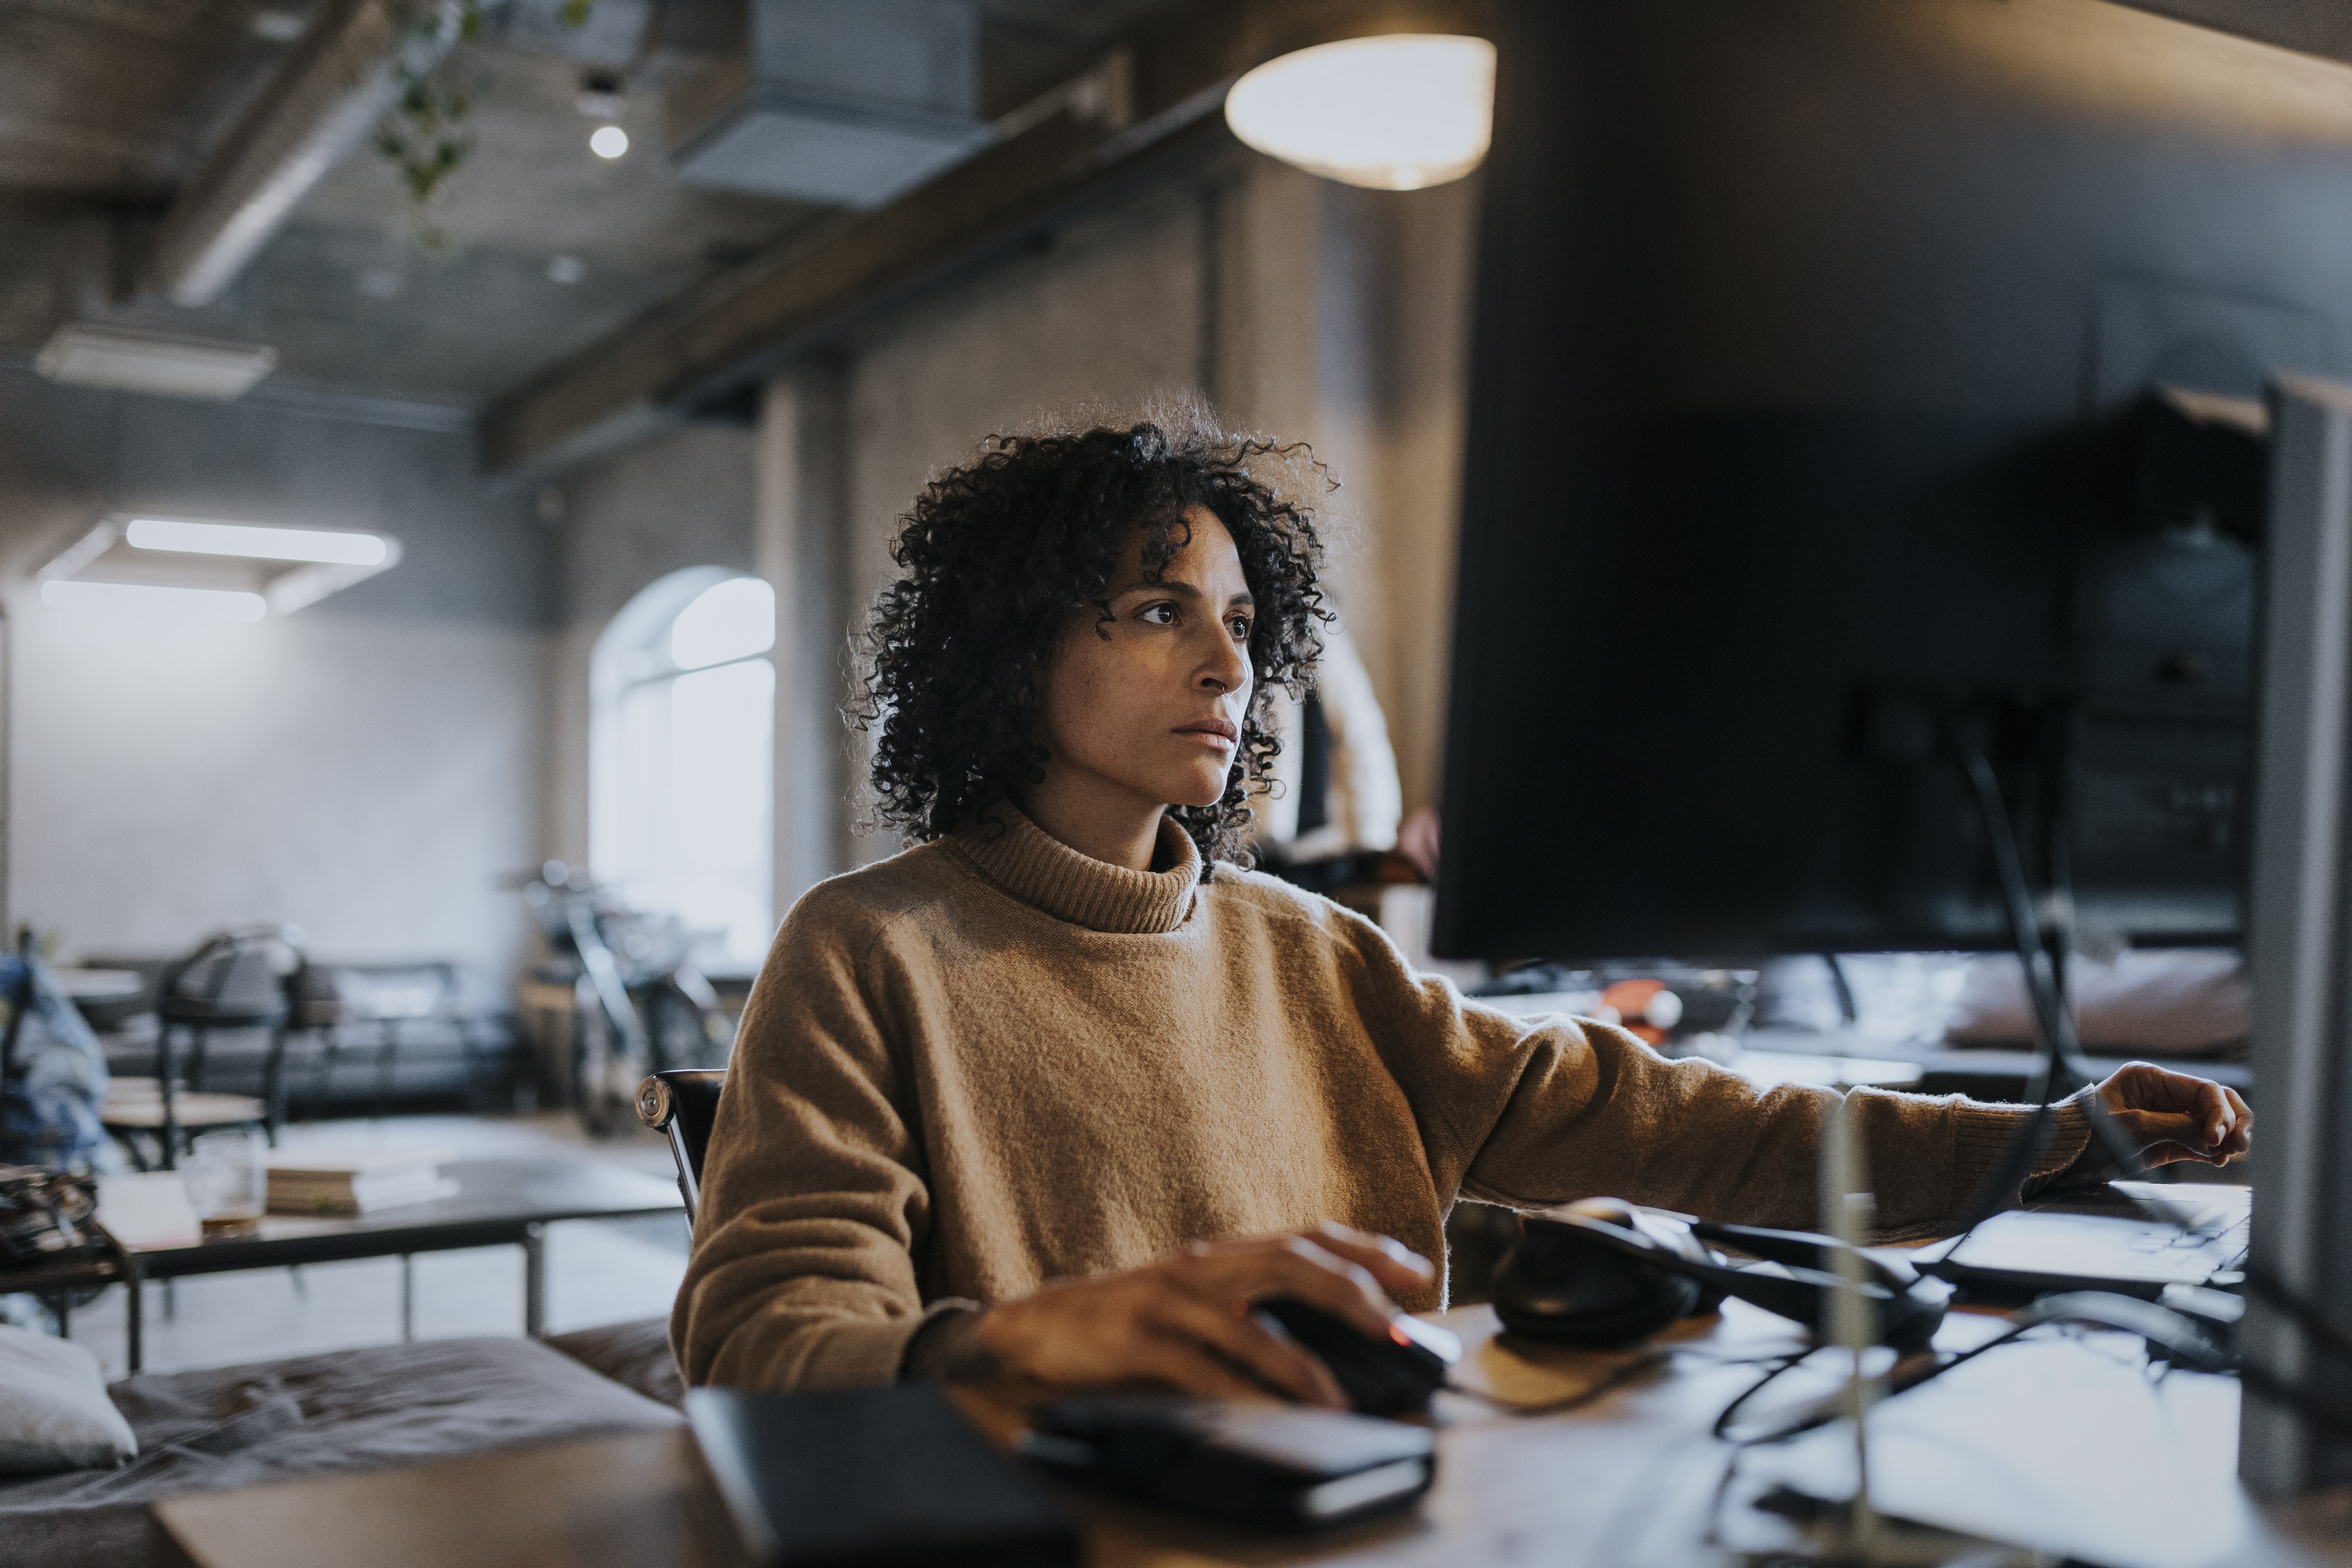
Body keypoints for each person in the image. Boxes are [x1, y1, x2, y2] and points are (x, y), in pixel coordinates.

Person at [672, 409, 2251, 1407]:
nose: (1225, 667)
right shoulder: (868, 950)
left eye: (1236, 623)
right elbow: (761, 1339)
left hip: (1372, 1514)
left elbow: (1697, 1128)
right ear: (1008, 655)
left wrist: (2052, 1135)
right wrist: (1012, 1343)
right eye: (1158, 613)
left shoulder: (1316, 958)